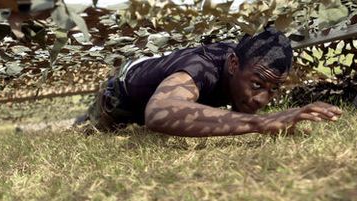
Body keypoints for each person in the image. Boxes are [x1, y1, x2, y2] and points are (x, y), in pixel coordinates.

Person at [79, 27, 342, 137]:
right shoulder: (202, 67)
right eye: (258, 85)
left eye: (274, 89)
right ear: (233, 65)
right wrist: (260, 122)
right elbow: (159, 113)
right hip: (118, 100)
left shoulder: (242, 64)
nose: (263, 99)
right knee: (89, 131)